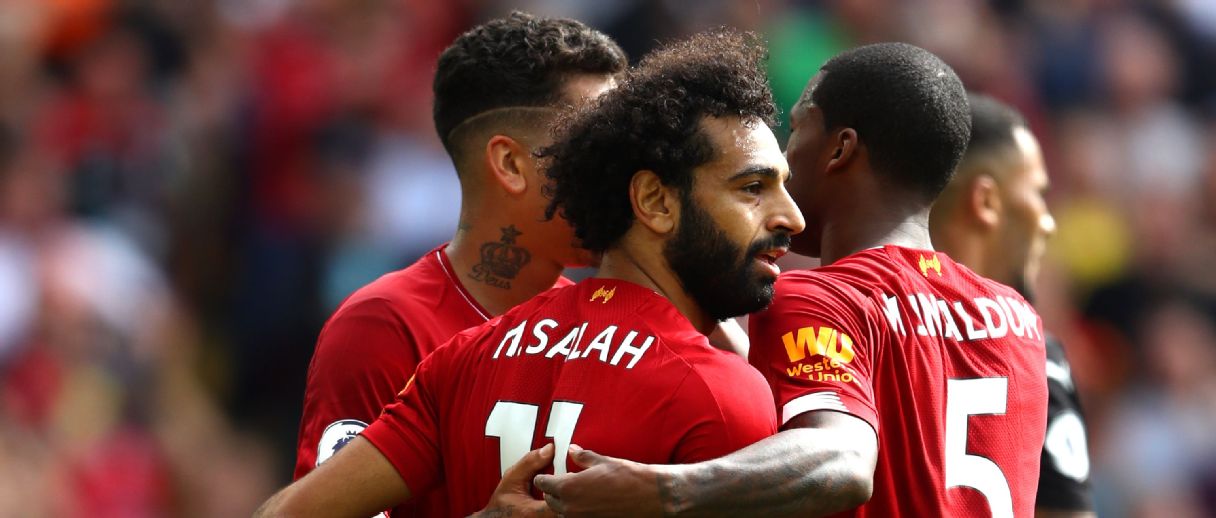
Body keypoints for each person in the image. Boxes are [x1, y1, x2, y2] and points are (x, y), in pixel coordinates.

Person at [256, 30, 805, 518]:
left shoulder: (476, 353)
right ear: (511, 164)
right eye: (589, 137)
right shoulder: (388, 327)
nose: (615, 157)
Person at [532, 43, 1048, 518]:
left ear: (839, 149)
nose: (784, 154)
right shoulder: (1018, 319)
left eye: (797, 129)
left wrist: (666, 490)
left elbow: (844, 458)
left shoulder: (821, 299)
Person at [291, 12, 626, 517]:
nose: (620, 175)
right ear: (510, 164)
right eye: (595, 149)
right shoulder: (384, 327)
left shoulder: (608, 328)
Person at [929, 94, 1093, 517]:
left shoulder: (865, 328)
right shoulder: (1035, 358)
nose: (1048, 222)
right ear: (986, 200)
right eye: (1038, 193)